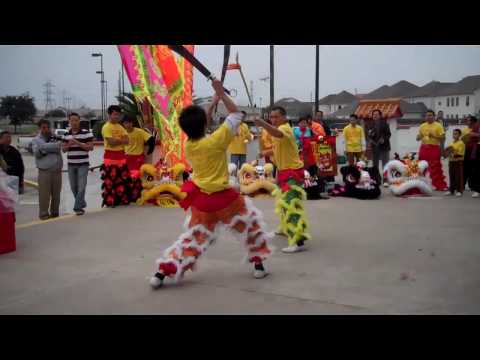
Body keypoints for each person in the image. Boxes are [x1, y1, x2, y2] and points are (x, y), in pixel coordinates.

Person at [149, 79, 273, 289]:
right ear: (204, 125)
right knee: (250, 228)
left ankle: (162, 272)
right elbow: (236, 114)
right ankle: (259, 265)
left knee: (194, 238)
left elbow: (200, 124)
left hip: (203, 203)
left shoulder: (189, 144)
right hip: (226, 200)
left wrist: (214, 100)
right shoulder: (216, 140)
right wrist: (222, 95)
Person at [254, 106, 311, 254]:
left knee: (290, 205)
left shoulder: (285, 128)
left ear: (284, 117)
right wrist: (265, 152)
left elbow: (278, 134)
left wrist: (262, 124)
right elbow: (277, 146)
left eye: (276, 117)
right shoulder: (278, 130)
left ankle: (298, 240)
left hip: (292, 172)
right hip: (284, 171)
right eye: (271, 117)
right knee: (283, 203)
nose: (273, 119)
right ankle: (286, 228)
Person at [62, 113, 94, 215]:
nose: (74, 122)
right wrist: (68, 144)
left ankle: (77, 208)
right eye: (72, 120)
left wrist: (78, 143)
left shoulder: (86, 133)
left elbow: (90, 148)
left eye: (76, 120)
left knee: (82, 186)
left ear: (79, 121)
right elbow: (63, 150)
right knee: (73, 187)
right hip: (71, 164)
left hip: (83, 164)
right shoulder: (66, 135)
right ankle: (81, 203)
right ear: (69, 122)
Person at [31, 120, 63, 220]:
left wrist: (44, 148)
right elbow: (37, 153)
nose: (46, 129)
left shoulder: (55, 138)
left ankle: (55, 213)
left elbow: (58, 147)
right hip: (44, 171)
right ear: (40, 128)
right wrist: (49, 148)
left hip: (57, 170)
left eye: (48, 127)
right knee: (44, 195)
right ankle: (44, 214)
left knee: (56, 194)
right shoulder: (36, 140)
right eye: (44, 127)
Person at [100, 105, 130, 207]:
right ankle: (110, 201)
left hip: (121, 158)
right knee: (110, 182)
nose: (117, 117)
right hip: (110, 158)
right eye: (115, 114)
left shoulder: (120, 127)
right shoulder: (106, 127)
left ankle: (121, 200)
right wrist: (121, 140)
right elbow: (111, 143)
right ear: (109, 114)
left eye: (118, 115)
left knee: (122, 181)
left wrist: (117, 140)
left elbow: (127, 141)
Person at [416, 109, 448, 191]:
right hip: (424, 148)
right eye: (427, 115)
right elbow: (418, 138)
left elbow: (443, 138)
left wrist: (434, 136)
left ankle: (440, 185)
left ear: (434, 117)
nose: (428, 117)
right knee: (421, 167)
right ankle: (420, 185)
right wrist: (419, 137)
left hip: (434, 148)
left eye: (430, 115)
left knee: (435, 168)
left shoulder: (438, 125)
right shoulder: (422, 126)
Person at [371, 109, 391, 186]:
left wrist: (384, 140)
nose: (375, 116)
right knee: (375, 164)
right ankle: (376, 179)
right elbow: (368, 135)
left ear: (380, 115)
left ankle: (385, 180)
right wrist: (371, 140)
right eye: (374, 114)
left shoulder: (385, 124)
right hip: (375, 147)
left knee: (385, 164)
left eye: (377, 114)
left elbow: (388, 134)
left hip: (384, 146)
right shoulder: (370, 125)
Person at [461, 115, 480, 197]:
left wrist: (474, 134)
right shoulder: (466, 129)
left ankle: (476, 188)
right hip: (468, 150)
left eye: (469, 120)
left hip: (476, 148)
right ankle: (463, 186)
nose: (467, 122)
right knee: (466, 168)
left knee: (475, 169)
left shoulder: (477, 126)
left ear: (473, 121)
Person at [444, 129, 465, 197]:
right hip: (451, 162)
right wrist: (446, 154)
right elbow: (448, 152)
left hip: (458, 162)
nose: (454, 135)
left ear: (459, 135)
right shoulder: (451, 143)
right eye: (453, 134)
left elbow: (461, 154)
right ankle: (451, 190)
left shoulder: (461, 143)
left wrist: (453, 154)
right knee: (451, 176)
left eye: (456, 134)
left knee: (458, 177)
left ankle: (459, 191)